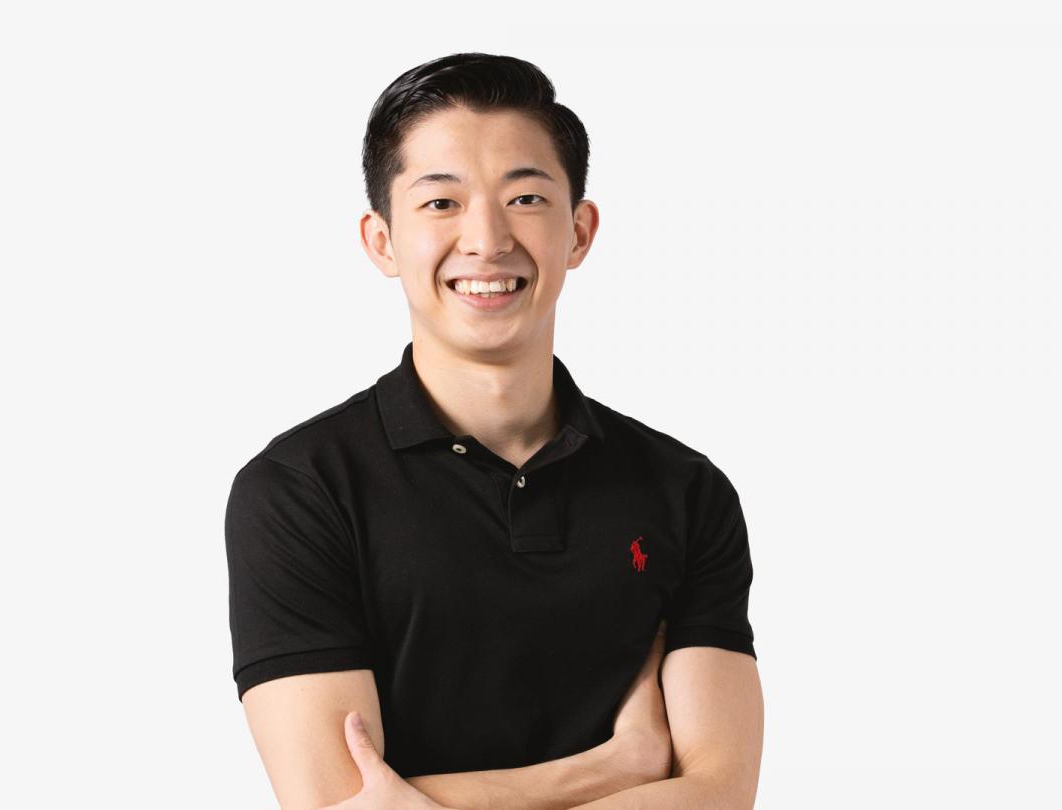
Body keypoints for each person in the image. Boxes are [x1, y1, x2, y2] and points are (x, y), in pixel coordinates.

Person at [225, 52, 763, 809]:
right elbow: (333, 805)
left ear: (579, 232)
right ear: (381, 240)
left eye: (525, 198)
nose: (486, 239)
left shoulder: (685, 491)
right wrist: (618, 766)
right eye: (441, 203)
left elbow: (719, 795)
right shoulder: (300, 491)